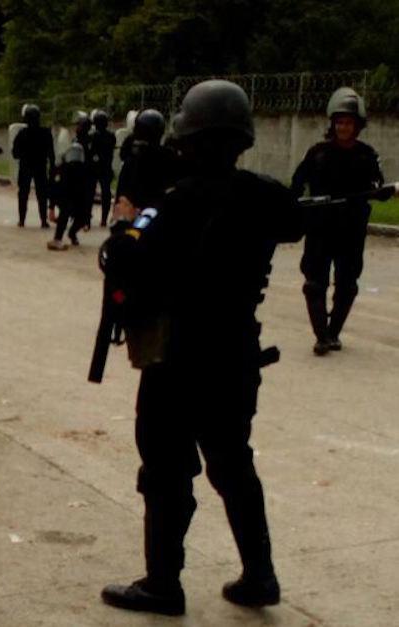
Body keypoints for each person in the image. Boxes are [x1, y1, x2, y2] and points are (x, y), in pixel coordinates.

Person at [99, 80, 304, 616]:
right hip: (235, 356)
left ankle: (162, 584)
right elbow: (293, 219)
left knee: (166, 471)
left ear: (187, 138)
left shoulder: (171, 205)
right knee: (233, 464)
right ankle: (260, 574)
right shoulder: (265, 197)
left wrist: (122, 227)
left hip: (178, 360)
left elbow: (124, 260)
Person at [292, 87, 384, 355]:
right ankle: (321, 336)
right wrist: (292, 204)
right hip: (320, 227)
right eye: (340, 122)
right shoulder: (318, 153)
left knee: (347, 284)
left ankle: (333, 333)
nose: (343, 127)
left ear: (357, 126)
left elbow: (377, 184)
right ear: (332, 124)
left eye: (349, 123)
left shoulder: (367, 155)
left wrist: (379, 192)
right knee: (314, 283)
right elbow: (297, 184)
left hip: (351, 229)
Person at [114, 109, 179, 220]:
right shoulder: (169, 156)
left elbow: (122, 193)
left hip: (138, 214)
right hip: (157, 214)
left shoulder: (133, 159)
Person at [11, 104, 54, 228]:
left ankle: (22, 220)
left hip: (26, 166)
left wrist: (24, 154)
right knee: (42, 194)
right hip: (40, 166)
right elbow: (51, 153)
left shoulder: (22, 133)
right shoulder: (46, 133)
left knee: (23, 194)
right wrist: (52, 166)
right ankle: (43, 221)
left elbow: (15, 153)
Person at [47, 142, 93, 249]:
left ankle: (72, 233)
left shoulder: (85, 170)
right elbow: (55, 188)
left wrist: (87, 217)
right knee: (64, 214)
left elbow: (88, 193)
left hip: (79, 199)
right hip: (65, 198)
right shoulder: (63, 169)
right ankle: (57, 238)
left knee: (82, 217)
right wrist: (52, 207)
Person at [90, 109, 117, 226]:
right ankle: (104, 219)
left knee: (90, 192)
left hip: (95, 168)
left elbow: (91, 152)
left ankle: (87, 217)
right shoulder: (111, 136)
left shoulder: (93, 136)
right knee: (106, 193)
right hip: (106, 167)